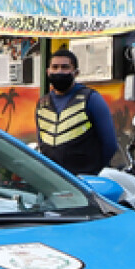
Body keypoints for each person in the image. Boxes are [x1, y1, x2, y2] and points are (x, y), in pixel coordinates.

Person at [35, 48, 117, 176]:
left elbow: (110, 144)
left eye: (65, 67)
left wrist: (93, 171)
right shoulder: (42, 104)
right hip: (53, 179)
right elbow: (42, 142)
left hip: (84, 180)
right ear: (48, 72)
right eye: (55, 67)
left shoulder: (90, 98)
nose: (59, 71)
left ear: (76, 73)